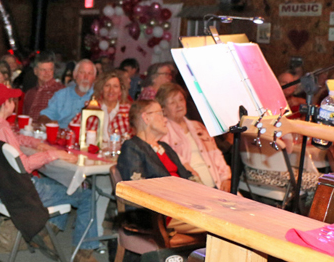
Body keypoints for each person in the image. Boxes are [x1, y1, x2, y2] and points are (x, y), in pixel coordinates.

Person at [0, 83, 109, 262]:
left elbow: (14, 140)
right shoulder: (2, 129)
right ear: (6, 103)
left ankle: (48, 230)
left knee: (66, 185)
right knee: (87, 195)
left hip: (2, 187)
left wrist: (37, 143)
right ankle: (84, 252)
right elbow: (24, 165)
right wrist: (53, 154)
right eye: (12, 99)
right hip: (23, 191)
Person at [116, 100, 203, 235]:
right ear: (146, 118)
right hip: (160, 214)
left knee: (223, 219)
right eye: (161, 113)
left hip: (184, 207)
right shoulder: (132, 147)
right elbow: (137, 190)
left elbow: (186, 175)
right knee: (220, 227)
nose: (165, 120)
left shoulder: (165, 147)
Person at [157, 83, 231, 192]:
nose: (179, 105)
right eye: (172, 102)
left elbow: (215, 153)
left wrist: (226, 178)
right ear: (163, 109)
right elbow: (176, 163)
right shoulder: (163, 132)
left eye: (181, 100)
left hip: (217, 185)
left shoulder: (198, 126)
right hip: (191, 189)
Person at [69, 71, 132, 138]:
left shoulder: (128, 111)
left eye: (115, 86)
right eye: (107, 86)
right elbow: (73, 128)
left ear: (120, 91)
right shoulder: (92, 107)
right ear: (101, 89)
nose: (111, 90)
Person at [38, 59, 97, 127]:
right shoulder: (61, 95)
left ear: (94, 77)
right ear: (74, 75)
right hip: (62, 134)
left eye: (90, 73)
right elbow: (44, 117)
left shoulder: (98, 96)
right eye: (82, 72)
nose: (86, 77)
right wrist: (49, 123)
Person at [23, 51, 64, 120]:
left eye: (50, 70)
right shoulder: (29, 93)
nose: (47, 73)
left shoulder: (61, 91)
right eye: (43, 70)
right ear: (35, 71)